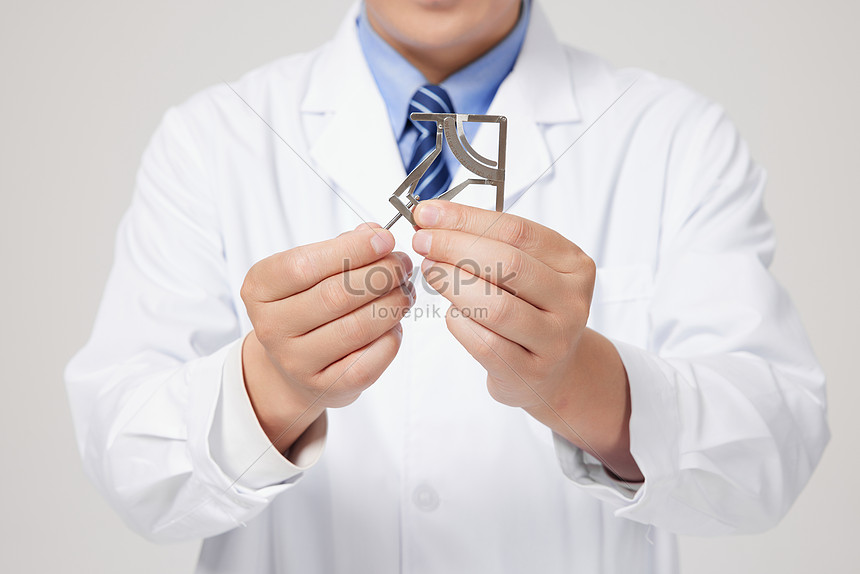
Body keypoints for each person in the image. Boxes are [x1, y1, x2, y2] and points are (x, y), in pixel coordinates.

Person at [65, 0, 830, 572]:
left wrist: (581, 383)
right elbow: (132, 466)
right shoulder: (211, 138)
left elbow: (771, 449)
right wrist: (270, 385)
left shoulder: (676, 137)